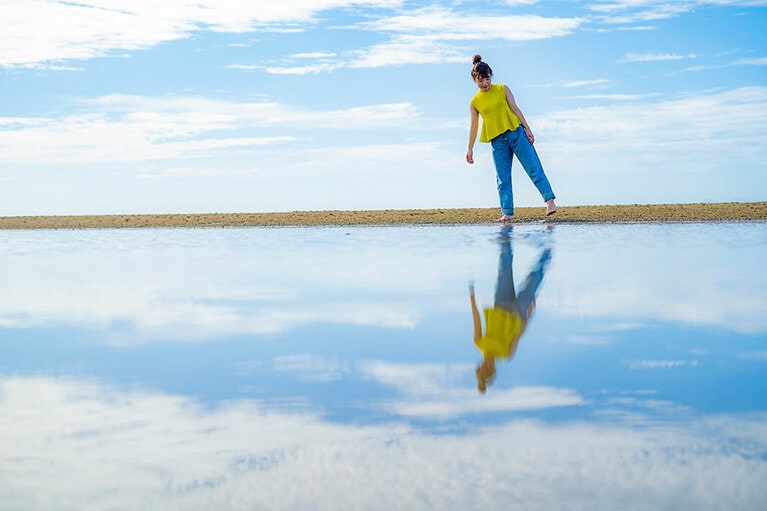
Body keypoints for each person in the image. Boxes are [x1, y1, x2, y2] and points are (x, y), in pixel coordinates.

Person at [466, 54, 557, 222]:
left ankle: (549, 201)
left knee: (533, 167)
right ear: (474, 81)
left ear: (491, 76)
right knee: (502, 177)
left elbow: (515, 108)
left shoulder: (502, 89)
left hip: (516, 133)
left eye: (487, 79)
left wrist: (527, 128)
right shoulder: (475, 102)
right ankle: (507, 212)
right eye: (480, 81)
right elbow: (474, 126)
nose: (485, 83)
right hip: (497, 141)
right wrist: (470, 148)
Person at [469, 226, 552, 393]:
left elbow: (476, 319)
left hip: (500, 303)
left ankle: (506, 232)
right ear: (493, 369)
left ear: (479, 365)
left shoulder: (479, 343)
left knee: (504, 268)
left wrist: (472, 298)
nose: (487, 364)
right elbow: (518, 335)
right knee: (534, 277)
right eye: (489, 367)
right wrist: (529, 315)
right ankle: (548, 246)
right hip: (518, 312)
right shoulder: (506, 354)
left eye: (483, 366)